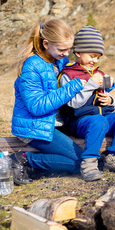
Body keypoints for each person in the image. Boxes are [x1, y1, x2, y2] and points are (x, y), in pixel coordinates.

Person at [10, 19, 89, 185]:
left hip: (53, 124)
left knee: (87, 160)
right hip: (35, 126)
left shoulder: (58, 60)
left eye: (69, 49)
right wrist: (72, 87)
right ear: (46, 43)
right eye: (62, 49)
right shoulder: (31, 66)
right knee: (84, 163)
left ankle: (37, 165)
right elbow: (36, 107)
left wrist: (101, 84)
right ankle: (22, 159)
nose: (67, 54)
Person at [59, 25, 115, 181]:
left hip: (102, 118)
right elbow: (73, 104)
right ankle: (88, 164)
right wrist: (91, 85)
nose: (95, 60)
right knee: (98, 121)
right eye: (92, 56)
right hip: (79, 121)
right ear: (78, 52)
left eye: (98, 57)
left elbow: (105, 97)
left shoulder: (98, 73)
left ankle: (113, 157)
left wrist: (110, 100)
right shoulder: (68, 74)